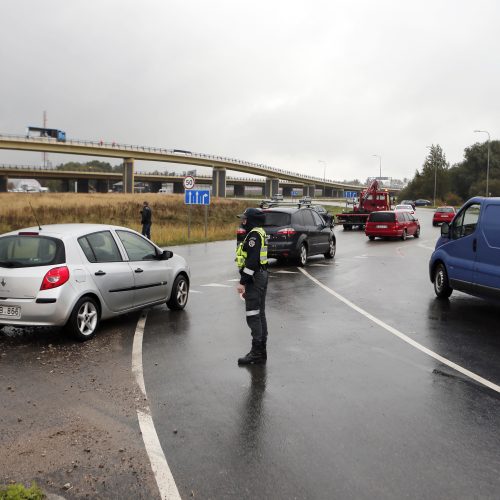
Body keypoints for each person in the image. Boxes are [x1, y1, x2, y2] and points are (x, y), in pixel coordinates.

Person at [235, 208, 269, 365]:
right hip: (261, 275)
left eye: (245, 219)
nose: (243, 221)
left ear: (252, 220)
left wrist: (243, 281)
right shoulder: (259, 232)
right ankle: (261, 351)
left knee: (253, 314)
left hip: (254, 278)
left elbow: (252, 261)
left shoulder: (254, 235)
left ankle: (257, 353)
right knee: (260, 314)